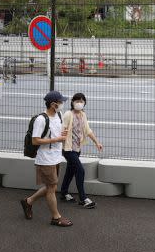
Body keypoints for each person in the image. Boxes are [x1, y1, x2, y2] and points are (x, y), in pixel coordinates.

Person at [20, 91, 73, 227]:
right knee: (51, 189)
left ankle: (28, 201)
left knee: (52, 187)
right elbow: (35, 140)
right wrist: (57, 139)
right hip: (45, 159)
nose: (62, 104)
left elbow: (56, 133)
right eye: (60, 102)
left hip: (56, 156)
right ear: (53, 104)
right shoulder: (41, 119)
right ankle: (56, 217)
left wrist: (62, 134)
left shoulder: (59, 115)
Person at [59, 93, 103, 208]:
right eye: (77, 100)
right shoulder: (68, 114)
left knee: (70, 171)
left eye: (82, 101)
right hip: (68, 149)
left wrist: (97, 142)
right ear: (73, 102)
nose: (79, 103)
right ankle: (83, 199)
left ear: (84, 103)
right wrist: (60, 136)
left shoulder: (83, 115)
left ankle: (63, 193)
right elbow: (61, 129)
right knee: (80, 171)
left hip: (77, 149)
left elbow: (88, 130)